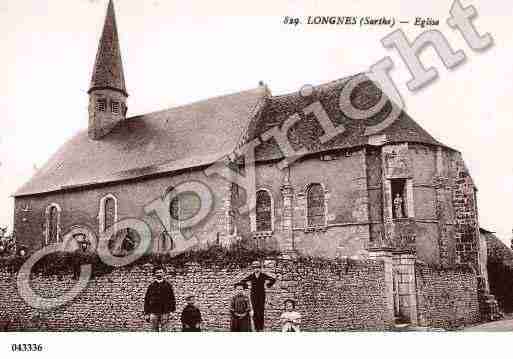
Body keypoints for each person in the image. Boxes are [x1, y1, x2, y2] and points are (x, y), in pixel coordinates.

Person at [240, 261, 276, 331]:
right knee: (255, 311)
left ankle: (261, 327)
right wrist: (246, 286)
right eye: (255, 268)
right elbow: (243, 281)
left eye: (258, 268)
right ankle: (256, 328)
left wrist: (269, 285)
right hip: (253, 295)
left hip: (261, 295)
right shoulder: (252, 276)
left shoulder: (263, 275)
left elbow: (273, 279)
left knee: (261, 311)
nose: (256, 269)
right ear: (253, 269)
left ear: (260, 268)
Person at [144, 266, 176, 332]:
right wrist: (147, 313)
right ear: (154, 274)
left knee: (165, 330)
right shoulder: (151, 286)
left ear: (163, 273)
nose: (159, 274)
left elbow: (172, 299)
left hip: (165, 312)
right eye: (157, 272)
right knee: (154, 330)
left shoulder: (168, 285)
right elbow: (147, 300)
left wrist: (172, 311)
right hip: (154, 312)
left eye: (160, 272)